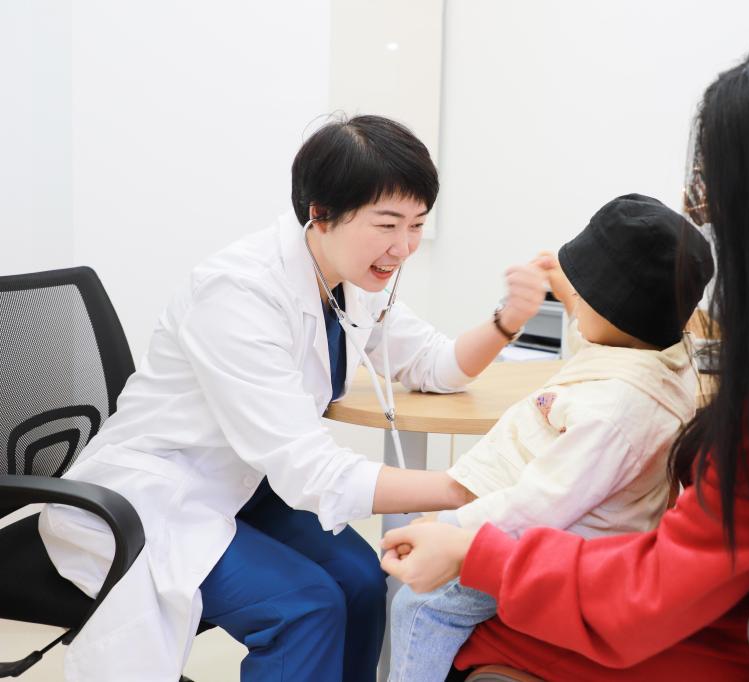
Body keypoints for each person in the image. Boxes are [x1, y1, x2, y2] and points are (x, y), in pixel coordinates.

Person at [380, 24, 749, 681]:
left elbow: (641, 602)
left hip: (719, 645)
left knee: (443, 616)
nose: (705, 214)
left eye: (712, 195)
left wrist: (474, 553)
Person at [37, 115, 551, 682]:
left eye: (417, 225)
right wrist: (472, 486)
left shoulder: (345, 277)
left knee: (362, 582)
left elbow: (435, 364)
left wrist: (509, 320)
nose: (404, 247)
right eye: (387, 224)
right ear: (321, 213)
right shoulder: (237, 293)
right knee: (306, 608)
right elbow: (312, 472)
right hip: (158, 497)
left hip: (248, 487)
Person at [387, 194, 715, 681]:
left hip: (558, 549)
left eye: (585, 295)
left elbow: (540, 504)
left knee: (419, 605)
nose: (575, 301)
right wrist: (566, 292)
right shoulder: (655, 358)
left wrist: (453, 527)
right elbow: (601, 343)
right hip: (561, 530)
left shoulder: (615, 414)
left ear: (615, 310)